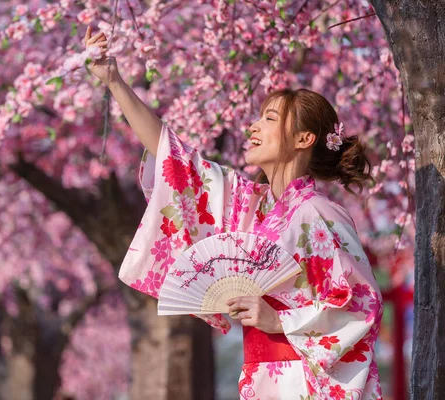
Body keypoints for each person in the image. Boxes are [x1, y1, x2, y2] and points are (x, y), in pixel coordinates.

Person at [84, 26, 383, 400]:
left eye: (270, 119)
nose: (253, 126)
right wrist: (114, 81)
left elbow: (361, 304)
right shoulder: (251, 209)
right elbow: (175, 161)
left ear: (304, 139)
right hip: (260, 375)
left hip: (304, 380)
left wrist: (282, 320)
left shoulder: (320, 213)